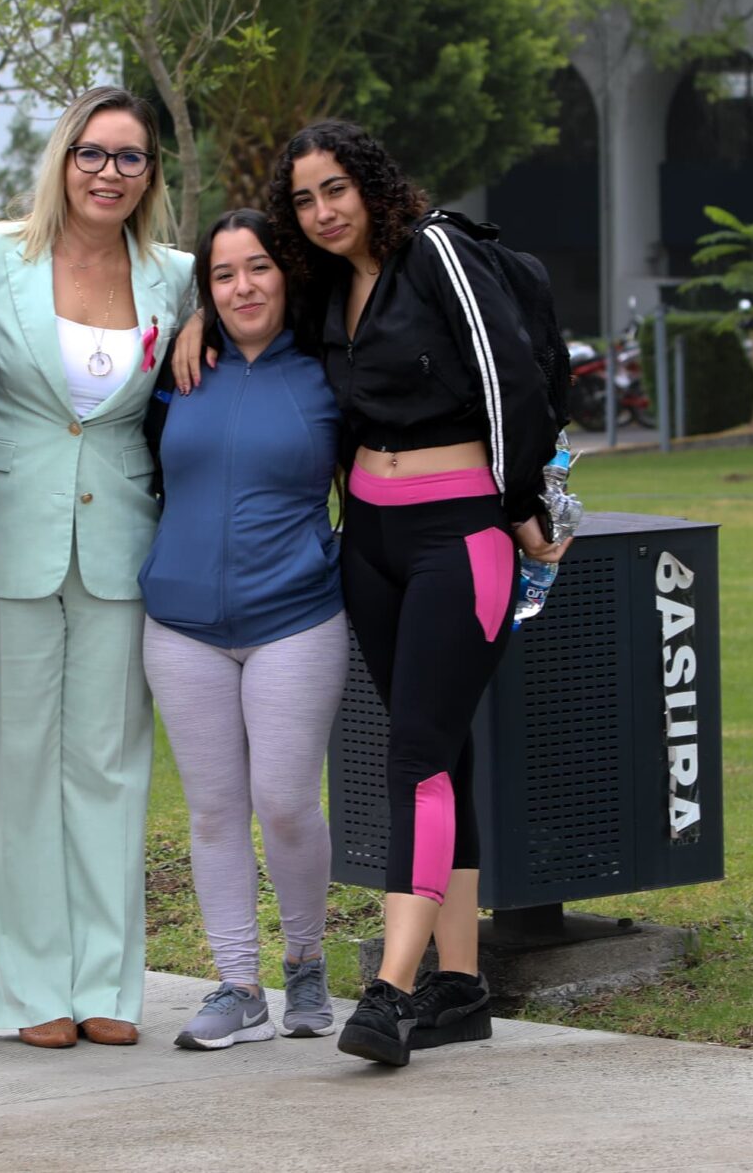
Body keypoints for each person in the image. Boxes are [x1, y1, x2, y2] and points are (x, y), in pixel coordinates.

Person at [269, 119, 568, 1067]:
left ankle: (392, 988)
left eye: (335, 188)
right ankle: (460, 984)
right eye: (304, 199)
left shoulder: (436, 251)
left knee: (416, 755)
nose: (323, 211)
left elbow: (508, 375)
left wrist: (521, 505)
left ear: (371, 183)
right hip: (370, 538)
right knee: (438, 748)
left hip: (460, 536)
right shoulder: (327, 287)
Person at [0, 86, 194, 1048]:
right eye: (91, 152)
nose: (108, 172)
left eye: (130, 157)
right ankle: (29, 992)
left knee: (111, 766)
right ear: (63, 159)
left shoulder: (177, 277)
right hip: (4, 537)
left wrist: (203, 329)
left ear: (150, 174)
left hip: (122, 546)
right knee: (9, 769)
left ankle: (106, 986)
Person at [137, 209, 347, 1050]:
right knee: (215, 810)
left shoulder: (329, 367)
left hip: (296, 615)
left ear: (287, 272)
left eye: (257, 266)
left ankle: (305, 960)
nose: (242, 286)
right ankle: (237, 984)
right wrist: (193, 325)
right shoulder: (180, 366)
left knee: (286, 803)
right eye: (222, 275)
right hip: (180, 624)